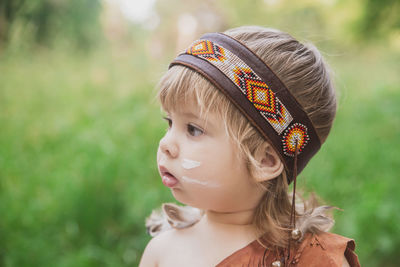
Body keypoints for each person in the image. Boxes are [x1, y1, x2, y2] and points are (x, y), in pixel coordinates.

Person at [139, 26, 360, 267]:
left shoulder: (313, 260)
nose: (166, 144)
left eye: (193, 129)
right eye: (170, 122)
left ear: (265, 160)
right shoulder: (163, 251)